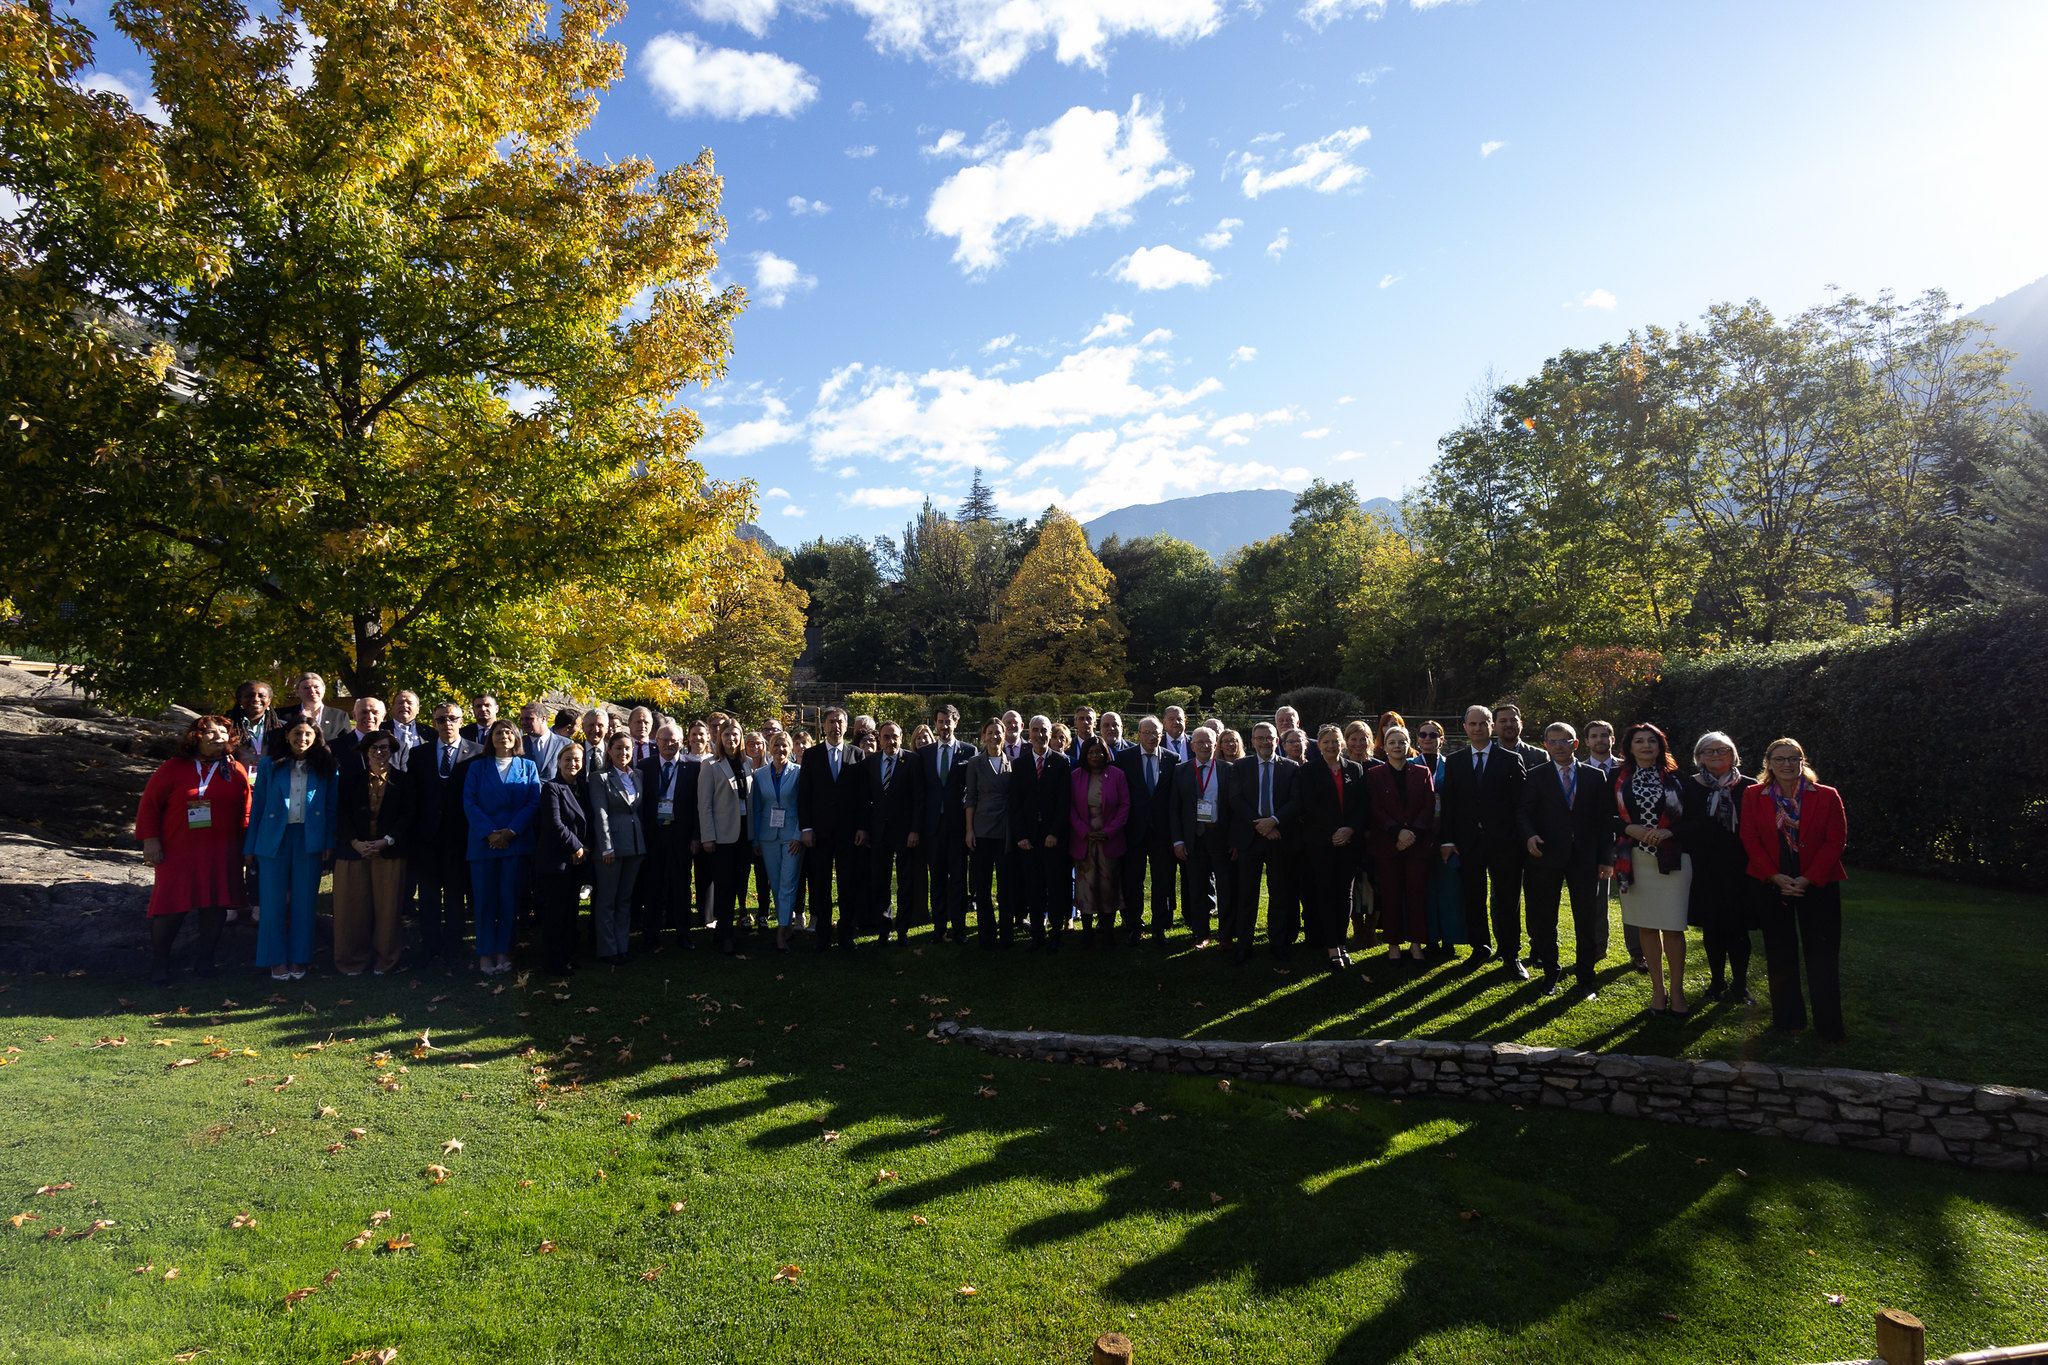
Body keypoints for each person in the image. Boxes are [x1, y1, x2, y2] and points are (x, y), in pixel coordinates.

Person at [1741, 739, 1848, 1040]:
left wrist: (1808, 878)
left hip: (1818, 884)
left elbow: (1836, 841)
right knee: (1780, 953)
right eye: (1780, 759)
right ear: (1768, 763)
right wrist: (1774, 876)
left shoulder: (1827, 795)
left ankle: (1829, 1027)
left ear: (1803, 761)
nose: (1787, 764)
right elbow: (1749, 838)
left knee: (1822, 954)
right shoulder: (1753, 795)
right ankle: (1788, 1021)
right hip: (1771, 884)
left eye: (1793, 758)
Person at [136, 715, 251, 984]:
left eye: (223, 732)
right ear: (196, 737)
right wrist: (150, 840)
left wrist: (247, 845)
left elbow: (246, 810)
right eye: (211, 732)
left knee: (215, 904)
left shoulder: (235, 769)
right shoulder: (173, 767)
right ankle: (160, 963)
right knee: (171, 906)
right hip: (178, 849)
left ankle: (205, 960)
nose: (218, 736)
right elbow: (150, 805)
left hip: (221, 849)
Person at [1599, 723, 1692, 1016]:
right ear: (1629, 747)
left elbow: (1695, 820)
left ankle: (1677, 991)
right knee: (1647, 927)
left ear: (1660, 745)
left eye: (1652, 741)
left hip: (1673, 858)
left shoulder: (1678, 778)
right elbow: (1604, 816)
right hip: (1634, 859)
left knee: (1673, 928)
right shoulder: (1617, 777)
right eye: (1639, 741)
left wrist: (1669, 832)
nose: (1646, 746)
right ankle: (1658, 991)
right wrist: (1630, 828)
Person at [1516, 722, 1611, 998]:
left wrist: (1606, 858)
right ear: (1545, 744)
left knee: (1586, 919)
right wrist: (1530, 835)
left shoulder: (1595, 776)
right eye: (1553, 741)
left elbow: (1604, 821)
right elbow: (1523, 812)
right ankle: (1550, 973)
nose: (1559, 746)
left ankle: (1585, 978)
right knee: (1546, 918)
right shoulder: (1536, 775)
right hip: (1547, 855)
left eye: (1565, 741)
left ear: (1575, 744)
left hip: (1585, 858)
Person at [244, 718, 337, 981]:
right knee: (272, 903)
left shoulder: (327, 765)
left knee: (304, 902)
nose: (302, 739)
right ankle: (274, 959)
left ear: (316, 737)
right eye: (297, 733)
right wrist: (250, 845)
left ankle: (299, 957)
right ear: (287, 735)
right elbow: (258, 806)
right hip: (274, 839)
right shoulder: (269, 764)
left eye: (308, 734)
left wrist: (328, 842)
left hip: (309, 839)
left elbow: (331, 808)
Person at [1437, 704, 1527, 974]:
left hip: (1505, 843)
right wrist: (1447, 840)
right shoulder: (1455, 761)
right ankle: (1480, 948)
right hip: (1468, 844)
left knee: (1508, 901)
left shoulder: (1510, 759)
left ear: (1492, 726)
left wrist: (1519, 838)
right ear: (1465, 727)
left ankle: (1511, 954)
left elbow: (1521, 804)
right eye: (1472, 724)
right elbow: (1450, 805)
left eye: (1483, 723)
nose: (1477, 728)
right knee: (1473, 897)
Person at [1678, 731, 1758, 1005]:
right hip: (1704, 867)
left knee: (1738, 928)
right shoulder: (1688, 785)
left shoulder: (1749, 786)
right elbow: (1681, 823)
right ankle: (1716, 982)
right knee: (1712, 928)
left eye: (1722, 750)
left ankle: (1740, 985)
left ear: (1733, 755)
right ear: (1699, 757)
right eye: (1709, 751)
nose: (1716, 755)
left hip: (1741, 868)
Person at [330, 731, 411, 975]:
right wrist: (355, 842)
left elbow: (408, 815)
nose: (379, 752)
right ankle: (352, 959)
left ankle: (386, 959)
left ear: (392, 750)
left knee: (388, 907)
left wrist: (387, 840)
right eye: (374, 748)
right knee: (351, 906)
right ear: (366, 751)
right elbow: (340, 813)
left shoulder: (404, 780)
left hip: (388, 851)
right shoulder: (350, 779)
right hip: (354, 851)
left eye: (384, 747)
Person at [463, 719, 540, 975]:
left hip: (515, 843)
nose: (503, 736)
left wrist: (511, 831)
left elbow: (533, 802)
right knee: (484, 901)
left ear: (516, 737)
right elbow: (470, 802)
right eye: (498, 732)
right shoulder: (477, 767)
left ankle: (504, 950)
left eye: (509, 732)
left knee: (509, 900)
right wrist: (490, 833)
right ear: (490, 738)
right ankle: (486, 952)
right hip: (484, 843)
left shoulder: (528, 766)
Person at [410, 703, 479, 971]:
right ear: (434, 722)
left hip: (460, 837)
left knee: (455, 896)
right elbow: (414, 797)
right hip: (427, 838)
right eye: (441, 719)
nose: (447, 723)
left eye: (452, 718)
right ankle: (429, 946)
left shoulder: (477, 752)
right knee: (428, 896)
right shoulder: (419, 754)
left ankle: (454, 948)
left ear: (462, 721)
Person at [1230, 722, 1301, 965]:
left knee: (1279, 894)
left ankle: (1278, 944)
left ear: (1276, 740)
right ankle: (1244, 944)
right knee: (1246, 895)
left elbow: (1295, 801)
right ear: (1252, 741)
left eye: (1269, 737)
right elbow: (1235, 799)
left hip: (1279, 838)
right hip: (1250, 839)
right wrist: (1260, 825)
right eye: (1259, 738)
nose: (1264, 742)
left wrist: (1273, 821)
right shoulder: (1240, 766)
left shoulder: (1290, 767)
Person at [1298, 724, 1366, 971]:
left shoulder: (1355, 769)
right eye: (1326, 742)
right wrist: (1333, 832)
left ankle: (1341, 941)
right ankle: (1331, 946)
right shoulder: (1308, 771)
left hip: (1349, 843)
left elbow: (1361, 806)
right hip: (1321, 843)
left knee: (1345, 894)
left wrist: (1349, 829)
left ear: (1342, 744)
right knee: (1326, 893)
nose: (1331, 746)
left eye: (1335, 741)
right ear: (1319, 745)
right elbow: (1308, 807)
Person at [798, 707, 868, 951]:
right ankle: (823, 934)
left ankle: (846, 933)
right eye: (831, 722)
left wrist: (862, 826)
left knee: (848, 884)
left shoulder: (857, 754)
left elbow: (863, 795)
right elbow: (804, 795)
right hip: (820, 832)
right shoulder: (812, 755)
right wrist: (806, 828)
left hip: (849, 832)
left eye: (840, 722)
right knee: (820, 885)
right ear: (824, 725)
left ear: (846, 726)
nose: (835, 726)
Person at [1365, 724, 1436, 964]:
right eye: (1392, 742)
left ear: (1409, 746)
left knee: (1417, 894)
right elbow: (1375, 808)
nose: (1397, 746)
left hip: (1417, 844)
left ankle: (1416, 943)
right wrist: (1397, 832)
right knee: (1391, 894)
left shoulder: (1422, 772)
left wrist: (1412, 833)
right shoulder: (1375, 774)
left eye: (1402, 742)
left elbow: (1428, 805)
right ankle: (1393, 944)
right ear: (1385, 747)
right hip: (1388, 845)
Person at [1007, 715, 1072, 951]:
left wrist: (1055, 833)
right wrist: (1021, 835)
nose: (1040, 735)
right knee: (1033, 888)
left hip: (1053, 838)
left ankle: (1055, 934)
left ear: (1050, 733)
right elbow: (1015, 804)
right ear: (1029, 733)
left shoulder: (1061, 762)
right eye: (1035, 730)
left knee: (1054, 887)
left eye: (1044, 730)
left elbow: (1064, 803)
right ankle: (1037, 935)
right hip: (1029, 839)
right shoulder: (1020, 764)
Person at [1114, 717, 1179, 946]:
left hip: (1162, 832)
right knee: (1133, 880)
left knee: (1162, 880)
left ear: (1162, 734)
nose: (1152, 737)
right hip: (1134, 830)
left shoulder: (1172, 759)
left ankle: (1159, 927)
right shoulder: (1124, 758)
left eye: (1156, 733)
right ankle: (1134, 925)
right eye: (1147, 732)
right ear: (1138, 734)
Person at [637, 722, 700, 952]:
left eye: (673, 740)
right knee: (653, 886)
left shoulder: (693, 767)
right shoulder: (644, 766)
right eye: (664, 740)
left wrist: (696, 836)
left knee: (681, 886)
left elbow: (697, 805)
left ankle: (683, 934)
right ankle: (651, 935)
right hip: (653, 835)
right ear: (657, 742)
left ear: (681, 742)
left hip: (681, 835)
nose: (668, 744)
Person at [587, 732, 648, 962]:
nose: (623, 753)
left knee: (624, 899)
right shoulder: (599, 777)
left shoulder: (637, 775)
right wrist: (606, 847)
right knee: (607, 900)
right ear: (610, 751)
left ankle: (622, 945)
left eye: (627, 748)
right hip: (611, 847)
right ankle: (608, 949)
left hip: (635, 845)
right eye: (618, 748)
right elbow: (600, 812)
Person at [1169, 724, 1232, 948]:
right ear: (1192, 746)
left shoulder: (1227, 769)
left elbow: (1234, 808)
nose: (1205, 745)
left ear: (1215, 745)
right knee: (1196, 888)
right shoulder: (1180, 770)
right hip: (1193, 838)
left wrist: (1234, 840)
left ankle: (1226, 934)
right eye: (1200, 742)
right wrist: (1178, 840)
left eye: (1209, 742)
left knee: (1226, 888)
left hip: (1220, 837)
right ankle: (1201, 933)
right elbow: (1174, 808)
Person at [917, 705, 976, 943]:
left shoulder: (968, 751)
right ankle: (939, 928)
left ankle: (959, 928)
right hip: (933, 827)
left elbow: (971, 790)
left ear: (956, 723)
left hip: (958, 826)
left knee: (958, 879)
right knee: (937, 879)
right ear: (935, 723)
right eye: (940, 722)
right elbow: (921, 792)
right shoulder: (925, 753)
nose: (944, 726)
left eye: (948, 722)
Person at [532, 744, 591, 975]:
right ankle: (554, 962)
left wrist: (584, 849)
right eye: (567, 759)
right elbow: (554, 824)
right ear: (558, 762)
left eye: (577, 759)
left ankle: (569, 955)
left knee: (570, 912)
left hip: (577, 862)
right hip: (556, 861)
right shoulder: (552, 788)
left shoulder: (583, 787)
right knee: (555, 914)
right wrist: (576, 847)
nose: (572, 764)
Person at [1584, 718, 1637, 969]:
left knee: (1631, 895)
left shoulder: (1629, 768)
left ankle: (1637, 950)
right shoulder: (1579, 769)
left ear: (1613, 739)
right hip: (1594, 842)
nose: (1599, 740)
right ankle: (1597, 946)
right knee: (1597, 899)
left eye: (1604, 735)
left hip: (1627, 840)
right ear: (1586, 741)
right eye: (1594, 736)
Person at [697, 718, 752, 955]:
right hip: (722, 836)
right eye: (727, 734)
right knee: (724, 886)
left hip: (745, 833)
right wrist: (707, 836)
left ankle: (724, 931)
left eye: (735, 734)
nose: (731, 739)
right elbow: (704, 804)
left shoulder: (748, 762)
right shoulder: (710, 765)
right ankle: (726, 934)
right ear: (720, 738)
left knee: (740, 883)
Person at [1068, 737, 1129, 945]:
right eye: (1091, 752)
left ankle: (1107, 931)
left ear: (1106, 753)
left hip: (1109, 841)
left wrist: (1108, 832)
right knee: (1085, 887)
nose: (1096, 755)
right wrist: (1084, 831)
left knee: (1108, 886)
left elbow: (1124, 806)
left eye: (1100, 751)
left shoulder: (1117, 775)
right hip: (1084, 841)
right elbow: (1070, 808)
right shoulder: (1075, 776)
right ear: (1085, 755)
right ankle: (1086, 933)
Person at [1413, 721, 1465, 956]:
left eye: (1433, 735)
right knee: (1425, 888)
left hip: (1447, 835)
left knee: (1449, 889)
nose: (1427, 738)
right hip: (1420, 836)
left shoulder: (1452, 765)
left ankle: (1450, 939)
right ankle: (1430, 938)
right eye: (1423, 734)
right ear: (1417, 738)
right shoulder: (1410, 765)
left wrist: (1450, 838)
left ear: (1441, 739)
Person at [749, 730, 803, 951]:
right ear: (769, 748)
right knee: (776, 881)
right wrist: (755, 840)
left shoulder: (798, 772)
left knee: (788, 882)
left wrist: (799, 835)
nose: (780, 749)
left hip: (791, 836)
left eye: (784, 745)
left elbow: (803, 806)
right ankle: (786, 923)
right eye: (776, 745)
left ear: (790, 749)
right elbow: (756, 808)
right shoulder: (760, 775)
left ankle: (781, 931)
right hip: (768, 836)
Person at [963, 718, 1014, 948]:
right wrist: (969, 830)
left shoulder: (1012, 762)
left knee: (1006, 886)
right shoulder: (975, 763)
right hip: (982, 830)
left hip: (1005, 831)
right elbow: (970, 797)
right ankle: (986, 934)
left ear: (1004, 735)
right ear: (983, 736)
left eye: (998, 732)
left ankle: (1006, 933)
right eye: (990, 732)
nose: (994, 736)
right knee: (982, 886)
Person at [1342, 719, 1382, 946]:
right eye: (1353, 739)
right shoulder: (1341, 766)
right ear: (1346, 741)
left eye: (1363, 738)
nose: (1358, 743)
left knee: (1376, 883)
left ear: (1370, 740)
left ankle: (1371, 930)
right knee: (1354, 884)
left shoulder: (1379, 767)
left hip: (1376, 834)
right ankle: (1357, 929)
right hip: (1350, 835)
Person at [278, 671, 349, 742]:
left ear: (324, 689)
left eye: (316, 687)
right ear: (297, 692)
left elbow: (346, 744)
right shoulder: (282, 715)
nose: (312, 691)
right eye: (306, 688)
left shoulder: (339, 716)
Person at [227, 680, 281, 772]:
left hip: (272, 778)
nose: (256, 699)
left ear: (269, 701)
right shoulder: (227, 727)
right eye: (249, 695)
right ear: (240, 700)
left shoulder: (281, 727)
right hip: (237, 777)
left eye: (261, 696)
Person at [330, 695, 388, 771]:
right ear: (354, 715)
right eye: (364, 712)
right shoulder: (334, 747)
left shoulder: (396, 746)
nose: (369, 717)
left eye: (375, 712)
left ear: (383, 716)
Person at [518, 701, 570, 777]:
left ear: (543, 719)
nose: (524, 723)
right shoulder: (518, 744)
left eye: (528, 719)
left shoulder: (565, 744)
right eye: (522, 719)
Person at [1492, 702, 1546, 771]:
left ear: (1521, 724)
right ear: (1493, 726)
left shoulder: (1540, 756)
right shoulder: (1486, 756)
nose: (1509, 724)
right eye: (1503, 721)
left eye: (1513, 720)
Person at [384, 690, 428, 769]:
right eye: (400, 702)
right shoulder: (380, 729)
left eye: (409, 703)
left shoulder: (430, 733)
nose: (404, 705)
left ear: (418, 709)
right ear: (392, 707)